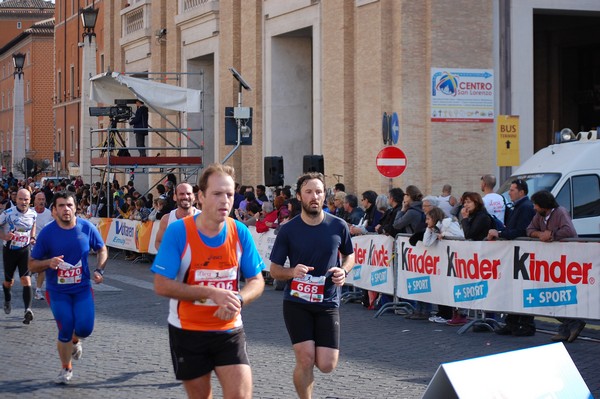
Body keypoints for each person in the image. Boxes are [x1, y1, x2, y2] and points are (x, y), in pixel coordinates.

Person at [151, 164, 265, 399]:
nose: (225, 200)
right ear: (201, 197)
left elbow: (257, 280)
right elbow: (161, 284)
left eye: (230, 194)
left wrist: (239, 298)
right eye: (217, 194)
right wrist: (212, 293)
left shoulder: (240, 231)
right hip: (188, 330)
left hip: (229, 330)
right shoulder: (178, 232)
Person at [269, 172, 355, 399]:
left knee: (327, 364)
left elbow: (350, 256)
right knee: (306, 358)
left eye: (318, 192)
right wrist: (292, 272)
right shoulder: (288, 229)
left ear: (324, 196)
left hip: (327, 301)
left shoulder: (338, 225)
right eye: (308, 192)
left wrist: (343, 271)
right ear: (299, 196)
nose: (314, 196)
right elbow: (274, 269)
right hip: (297, 302)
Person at [29, 191, 108, 384]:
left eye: (70, 205)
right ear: (54, 210)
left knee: (85, 328)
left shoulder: (86, 227)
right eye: (62, 205)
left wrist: (99, 270)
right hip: (57, 292)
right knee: (65, 328)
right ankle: (66, 368)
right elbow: (31, 265)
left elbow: (102, 249)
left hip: (81, 290)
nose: (66, 209)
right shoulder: (47, 233)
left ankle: (76, 340)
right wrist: (49, 262)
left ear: (76, 208)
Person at [526, 190, 586, 342]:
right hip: (550, 262)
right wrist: (540, 235)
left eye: (536, 205)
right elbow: (529, 230)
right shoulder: (539, 216)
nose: (534, 208)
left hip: (566, 260)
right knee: (549, 294)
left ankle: (571, 324)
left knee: (563, 293)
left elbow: (569, 231)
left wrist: (551, 234)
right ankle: (567, 327)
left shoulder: (560, 212)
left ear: (543, 205)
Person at [487, 179, 537, 336]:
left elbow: (520, 230)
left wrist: (500, 233)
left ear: (522, 192)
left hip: (522, 255)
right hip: (515, 255)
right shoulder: (518, 206)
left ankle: (526, 325)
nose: (509, 192)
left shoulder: (526, 207)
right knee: (514, 288)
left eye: (513, 190)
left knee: (523, 288)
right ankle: (512, 322)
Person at [1, 188, 37, 323]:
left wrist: (32, 237)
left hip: (24, 250)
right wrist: (4, 236)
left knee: (26, 280)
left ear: (30, 200)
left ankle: (27, 310)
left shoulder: (33, 214)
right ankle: (7, 298)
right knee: (9, 282)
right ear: (16, 199)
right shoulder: (8, 213)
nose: (23, 202)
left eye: (26, 199)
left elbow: (33, 224)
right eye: (21, 199)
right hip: (9, 251)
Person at [154, 182, 201, 250]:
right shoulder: (167, 219)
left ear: (194, 197)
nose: (185, 197)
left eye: (188, 194)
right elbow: (158, 242)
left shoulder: (204, 218)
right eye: (181, 194)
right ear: (175, 197)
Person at [33, 192, 54, 300]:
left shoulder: (49, 214)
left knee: (42, 269)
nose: (41, 201)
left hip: (42, 245)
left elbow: (53, 228)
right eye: (39, 199)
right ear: (35, 201)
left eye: (43, 199)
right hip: (29, 245)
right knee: (28, 270)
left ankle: (38, 290)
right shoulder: (29, 212)